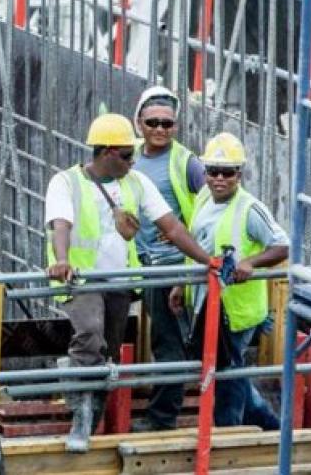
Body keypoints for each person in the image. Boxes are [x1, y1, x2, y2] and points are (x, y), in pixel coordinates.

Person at [44, 113, 211, 453]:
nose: (132, 160)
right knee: (89, 333)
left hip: (119, 282)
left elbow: (172, 228)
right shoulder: (66, 182)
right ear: (105, 152)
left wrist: (208, 261)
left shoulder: (134, 182)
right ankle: (80, 420)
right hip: (80, 279)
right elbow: (60, 224)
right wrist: (62, 260)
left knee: (108, 355)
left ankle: (90, 423)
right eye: (125, 155)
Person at [173, 133, 288, 429]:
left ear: (240, 174)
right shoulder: (202, 198)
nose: (219, 179)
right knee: (227, 368)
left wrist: (250, 262)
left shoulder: (249, 209)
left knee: (227, 372)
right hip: (206, 302)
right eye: (213, 172)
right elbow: (198, 243)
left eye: (228, 173)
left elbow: (282, 245)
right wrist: (182, 284)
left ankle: (228, 431)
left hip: (237, 309)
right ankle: (268, 424)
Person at [131, 86, 207, 431]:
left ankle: (161, 420)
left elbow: (212, 207)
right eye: (153, 122)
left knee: (169, 343)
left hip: (174, 265)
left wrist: (182, 230)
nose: (160, 129)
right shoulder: (128, 156)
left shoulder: (186, 162)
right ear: (139, 123)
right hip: (138, 264)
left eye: (167, 123)